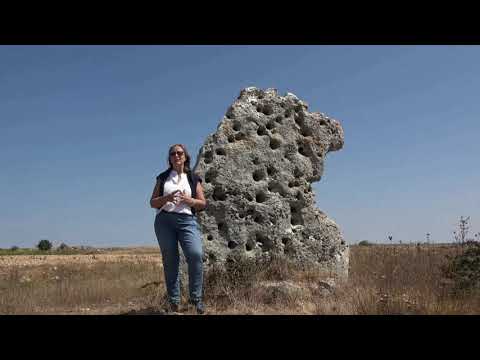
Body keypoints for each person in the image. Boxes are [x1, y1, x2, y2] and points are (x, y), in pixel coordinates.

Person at [150, 144, 207, 314]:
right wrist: (167, 197)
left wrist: (190, 201)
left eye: (179, 153)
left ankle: (195, 300)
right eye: (173, 153)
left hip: (187, 220)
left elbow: (203, 203)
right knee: (170, 260)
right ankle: (173, 302)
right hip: (164, 221)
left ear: (185, 156)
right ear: (169, 158)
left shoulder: (192, 177)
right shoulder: (162, 177)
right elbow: (152, 202)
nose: (176, 155)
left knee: (196, 255)